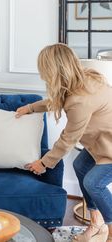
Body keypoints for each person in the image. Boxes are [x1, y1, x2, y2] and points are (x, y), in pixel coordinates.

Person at [16, 43, 112, 242]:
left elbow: (68, 139)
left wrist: (43, 163)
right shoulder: (81, 80)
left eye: (43, 69)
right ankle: (97, 224)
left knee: (94, 183)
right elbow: (60, 99)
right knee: (80, 165)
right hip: (102, 143)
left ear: (53, 70)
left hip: (109, 147)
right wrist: (31, 108)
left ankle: (110, 230)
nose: (42, 75)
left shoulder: (81, 100)